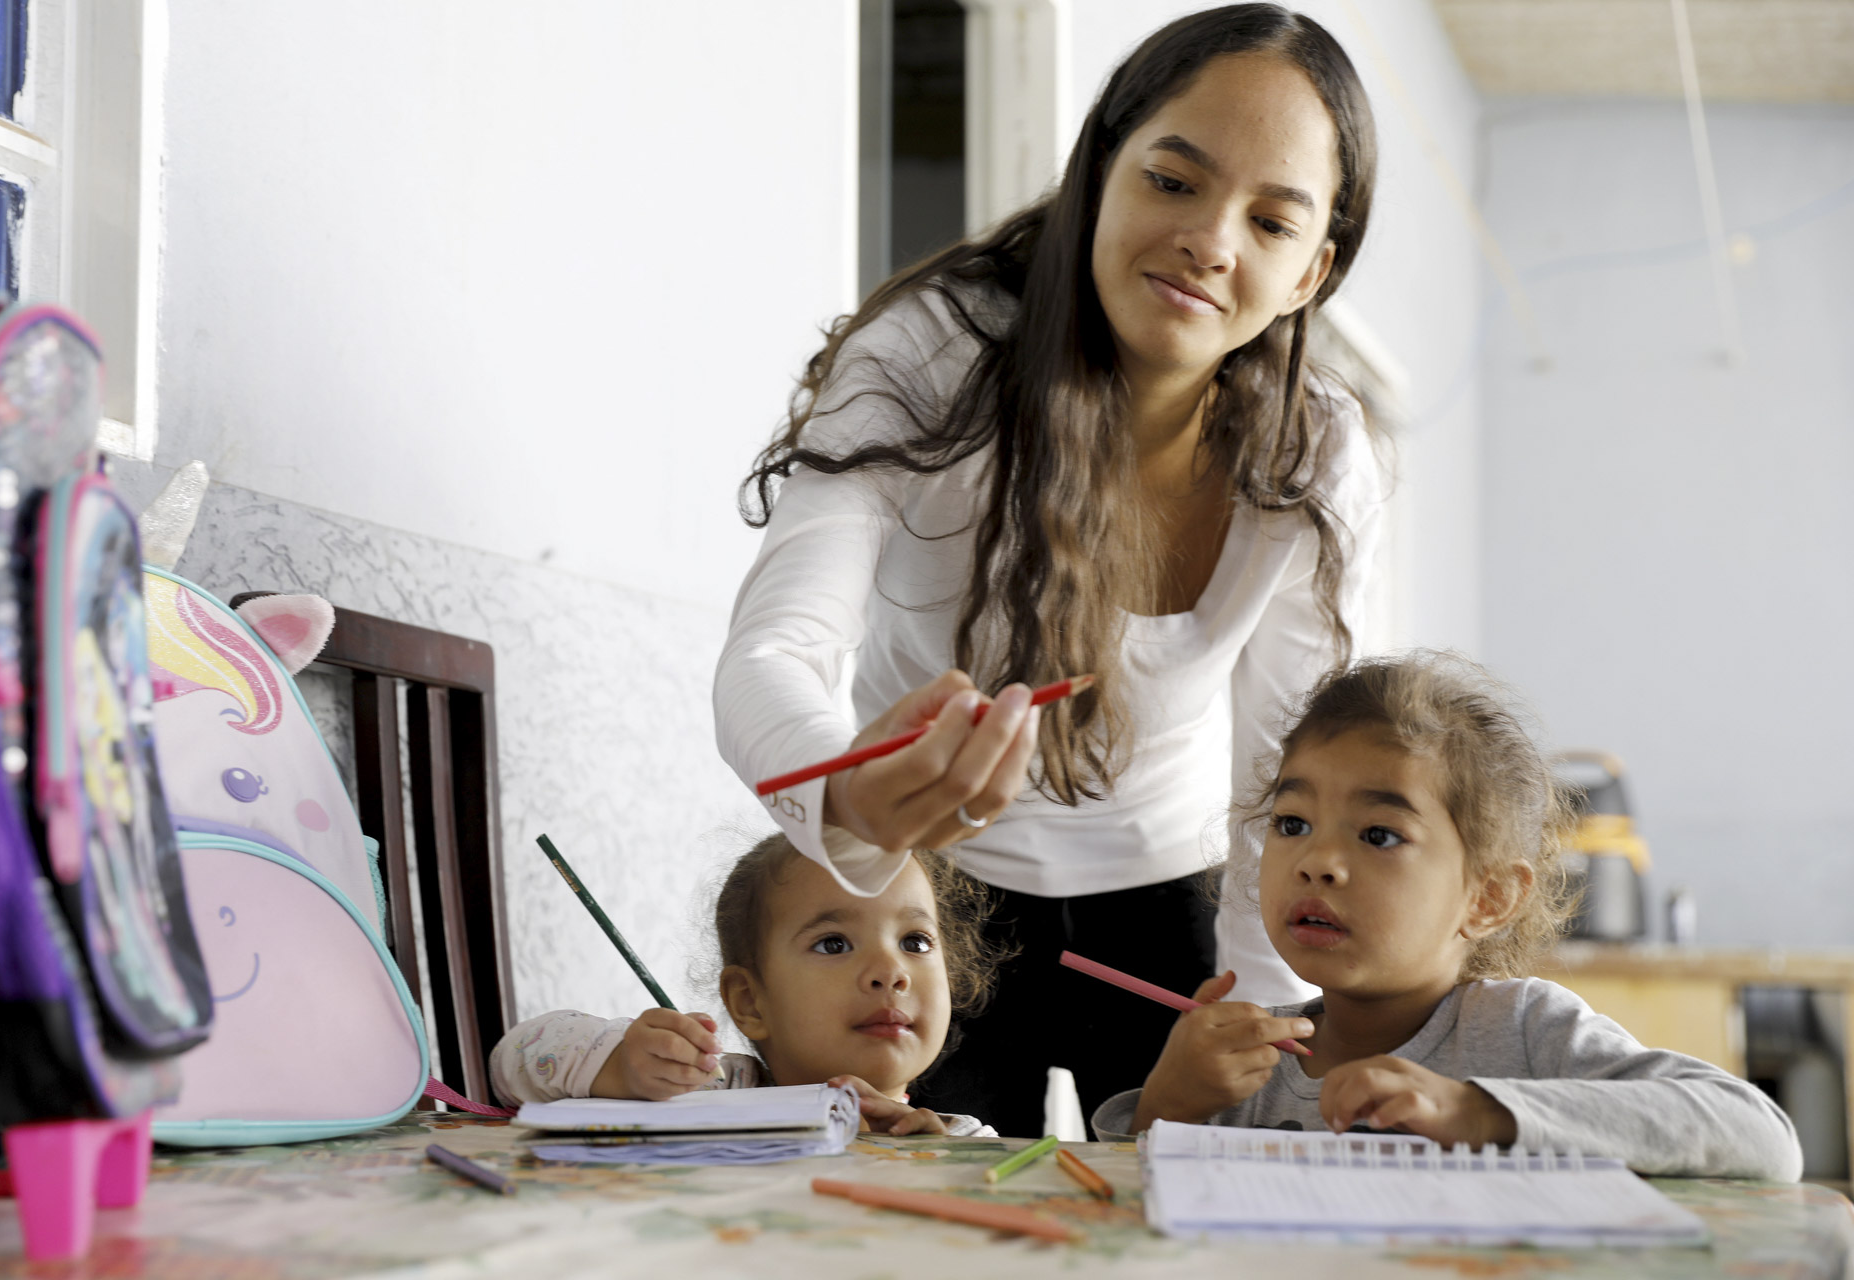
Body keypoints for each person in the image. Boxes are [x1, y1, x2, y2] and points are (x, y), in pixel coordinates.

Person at [716, 3, 1384, 1134]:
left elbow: (1286, 770)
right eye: (1173, 180)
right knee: (913, 1220)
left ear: (1312, 271)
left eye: (1270, 222)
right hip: (932, 909)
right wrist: (846, 792)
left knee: (1164, 1211)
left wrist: (1263, 1023)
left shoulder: (1312, 451)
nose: (1212, 241)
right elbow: (772, 653)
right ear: (1100, 168)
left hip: (1176, 910)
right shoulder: (933, 354)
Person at [1092, 654, 1803, 1181]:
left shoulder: (1522, 1030)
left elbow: (1764, 1139)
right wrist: (1170, 1103)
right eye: (1291, 822)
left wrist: (1479, 1113)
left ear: (1488, 898)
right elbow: (1129, 1218)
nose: (1317, 862)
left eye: (1378, 835)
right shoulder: (1249, 1064)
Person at [489, 833, 1003, 1137]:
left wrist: (938, 1170)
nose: (891, 971)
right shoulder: (710, 1092)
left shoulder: (962, 1140)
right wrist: (620, 1066)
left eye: (915, 942)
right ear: (750, 1001)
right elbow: (514, 1062)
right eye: (833, 944)